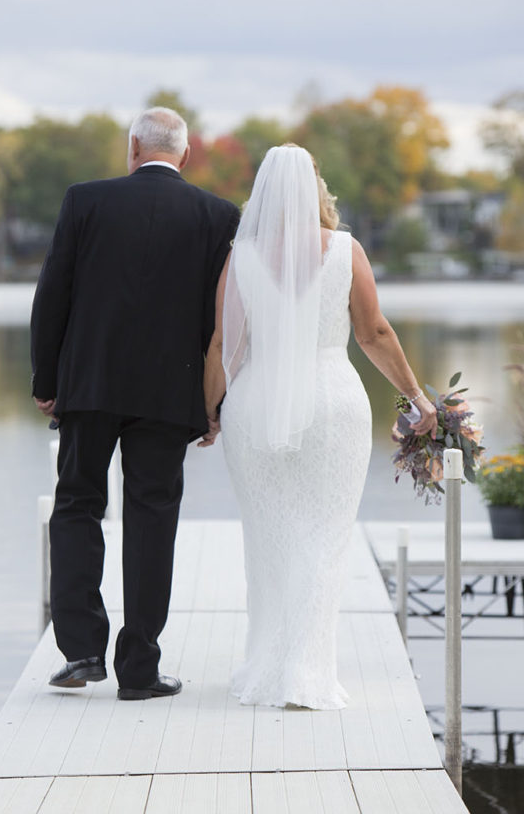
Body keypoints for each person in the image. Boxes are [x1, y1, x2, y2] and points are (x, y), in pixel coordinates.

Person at [202, 144, 437, 709]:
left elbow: (221, 347)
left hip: (254, 407)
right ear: (314, 188)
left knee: (268, 535)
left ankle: (269, 666)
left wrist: (209, 414)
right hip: (333, 404)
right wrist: (416, 397)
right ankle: (306, 672)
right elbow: (374, 332)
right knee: (324, 537)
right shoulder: (346, 251)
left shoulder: (242, 256)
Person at [30, 107, 240, 700]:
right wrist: (211, 402)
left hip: (90, 385)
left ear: (132, 148)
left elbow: (53, 294)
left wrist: (47, 380)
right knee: (152, 521)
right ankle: (140, 670)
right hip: (168, 394)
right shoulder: (217, 215)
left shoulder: (84, 200)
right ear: (186, 154)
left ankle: (82, 652)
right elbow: (219, 321)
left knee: (76, 506)